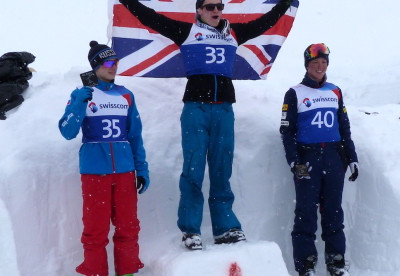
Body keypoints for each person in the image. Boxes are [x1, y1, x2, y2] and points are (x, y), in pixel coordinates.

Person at [119, 0, 293, 250]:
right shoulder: (187, 31)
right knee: (194, 167)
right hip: (195, 109)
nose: (216, 11)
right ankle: (190, 229)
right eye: (210, 7)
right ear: (199, 10)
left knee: (222, 167)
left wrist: (284, 5)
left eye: (219, 7)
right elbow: (150, 18)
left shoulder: (233, 33)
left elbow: (265, 23)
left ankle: (225, 227)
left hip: (224, 108)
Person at [58, 41, 150, 276]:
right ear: (96, 66)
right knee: (96, 227)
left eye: (116, 62)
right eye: (108, 62)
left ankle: (127, 273)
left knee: (128, 225)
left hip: (124, 171)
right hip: (94, 171)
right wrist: (78, 102)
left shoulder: (126, 95)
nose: (113, 67)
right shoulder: (82, 93)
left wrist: (141, 168)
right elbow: (67, 131)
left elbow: (135, 136)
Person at [279, 43, 359, 276]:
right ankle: (306, 267)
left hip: (334, 157)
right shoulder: (295, 92)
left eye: (323, 63)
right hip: (308, 158)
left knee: (334, 211)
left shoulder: (335, 91)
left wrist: (351, 157)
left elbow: (343, 126)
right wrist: (295, 162)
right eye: (315, 64)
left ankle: (336, 263)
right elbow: (286, 131)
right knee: (305, 214)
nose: (320, 67)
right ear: (307, 65)